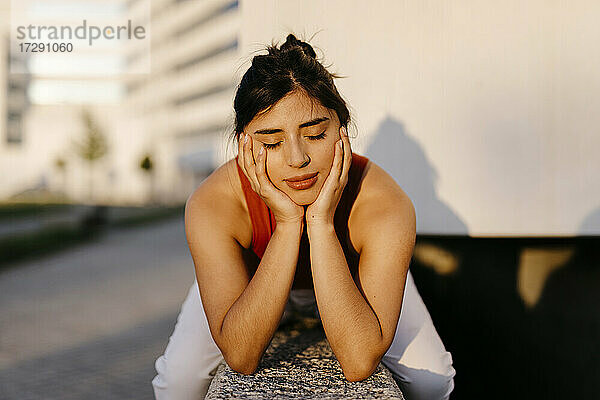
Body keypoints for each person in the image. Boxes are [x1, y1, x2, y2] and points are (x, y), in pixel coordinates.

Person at [152, 34, 455, 400]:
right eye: (271, 142)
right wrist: (287, 223)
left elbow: (358, 361)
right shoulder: (215, 202)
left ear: (341, 132)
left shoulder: (382, 203)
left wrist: (323, 224)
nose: (297, 159)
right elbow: (242, 355)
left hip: (355, 282)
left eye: (314, 134)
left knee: (433, 379)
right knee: (176, 383)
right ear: (244, 143)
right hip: (252, 284)